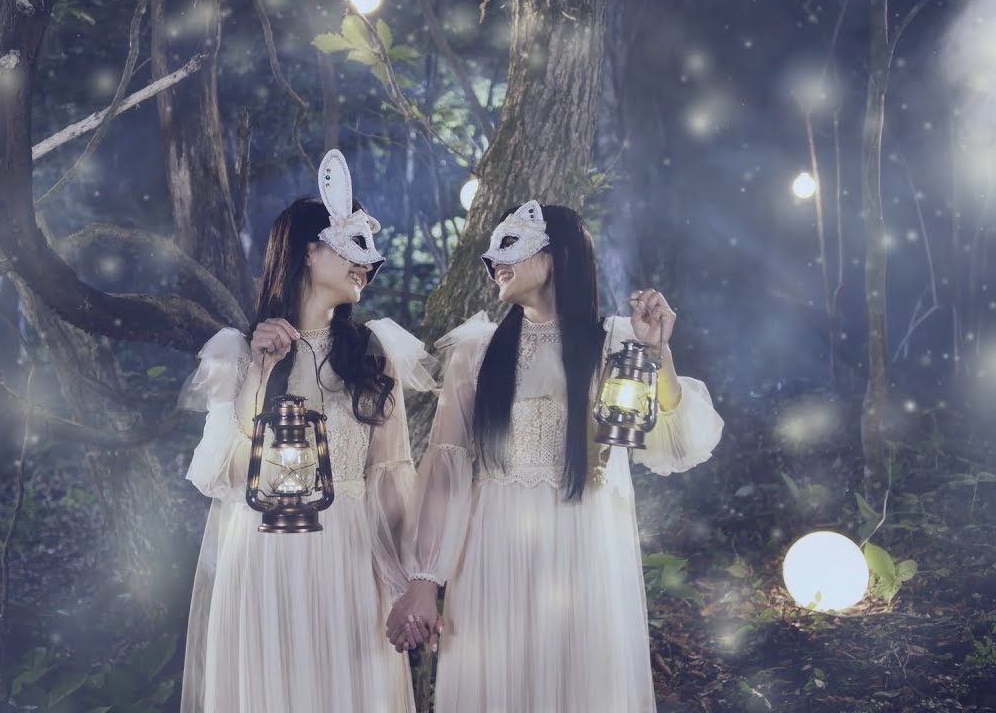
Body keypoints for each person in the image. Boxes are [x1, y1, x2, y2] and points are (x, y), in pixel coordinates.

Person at [388, 201, 723, 712]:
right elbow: (446, 466)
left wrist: (657, 353)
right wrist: (424, 579)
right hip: (492, 553)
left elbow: (678, 443)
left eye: (510, 246)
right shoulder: (476, 353)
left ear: (559, 255)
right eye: (493, 250)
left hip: (585, 550)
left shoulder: (617, 343)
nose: (493, 260)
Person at [178, 150, 434, 712]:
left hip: (350, 559)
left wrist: (414, 581)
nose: (367, 263)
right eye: (351, 246)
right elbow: (220, 473)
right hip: (263, 558)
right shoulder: (237, 351)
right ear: (308, 250)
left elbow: (393, 476)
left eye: (369, 250)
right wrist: (261, 372)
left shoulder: (373, 353)